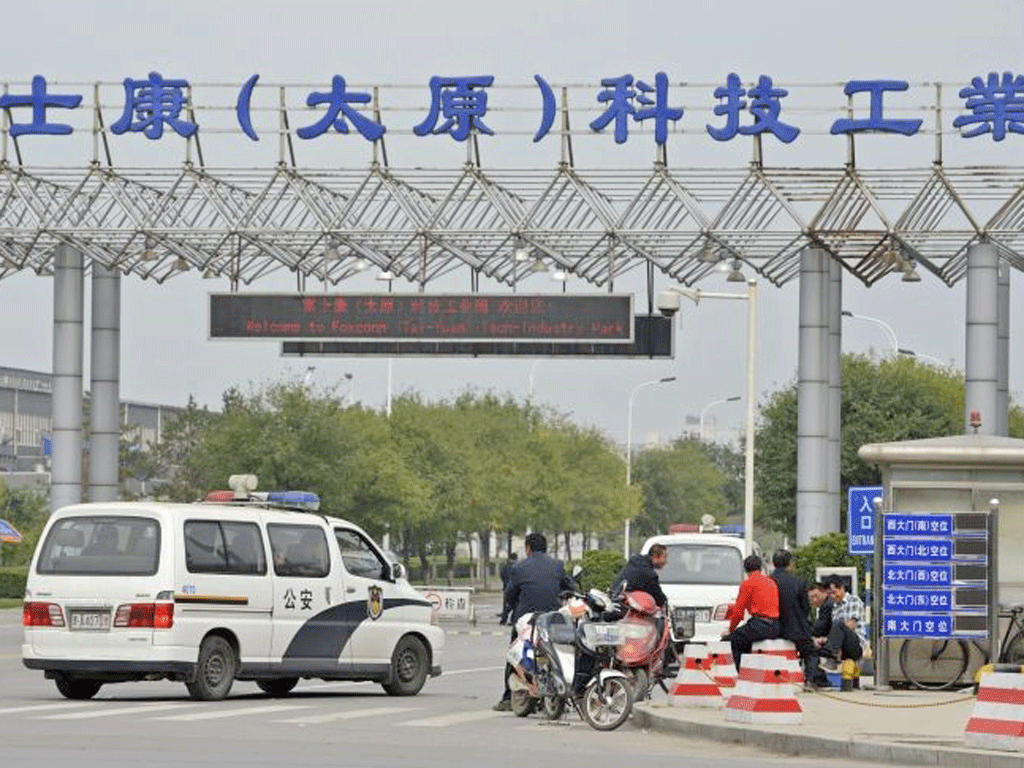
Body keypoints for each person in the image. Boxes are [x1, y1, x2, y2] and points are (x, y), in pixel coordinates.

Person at [493, 533, 574, 712]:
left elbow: (509, 595)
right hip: (552, 620)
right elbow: (570, 588)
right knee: (557, 655)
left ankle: (508, 698)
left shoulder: (519, 568)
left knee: (515, 656)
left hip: (526, 620)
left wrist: (517, 608)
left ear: (528, 547)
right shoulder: (557, 566)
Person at [769, 550, 818, 689]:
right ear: (790, 564)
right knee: (811, 653)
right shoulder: (799, 582)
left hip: (775, 629)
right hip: (797, 629)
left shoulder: (769, 581)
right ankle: (809, 680)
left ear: (774, 564)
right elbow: (806, 608)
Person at [723, 554, 780, 671]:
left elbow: (738, 612)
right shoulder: (771, 582)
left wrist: (730, 630)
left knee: (730, 642)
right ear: (760, 567)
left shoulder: (748, 584)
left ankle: (737, 674)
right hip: (775, 626)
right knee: (744, 639)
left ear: (745, 569)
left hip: (759, 625)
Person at [818, 575, 867, 671]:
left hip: (855, 646)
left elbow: (850, 626)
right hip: (841, 646)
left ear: (841, 588)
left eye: (834, 592)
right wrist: (825, 639)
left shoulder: (854, 600)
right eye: (829, 594)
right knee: (817, 643)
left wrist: (833, 636)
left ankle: (832, 658)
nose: (832, 596)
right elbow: (837, 632)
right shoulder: (835, 608)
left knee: (839, 624)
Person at [612, 543, 668, 607]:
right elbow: (659, 598)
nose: (666, 561)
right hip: (627, 606)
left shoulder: (635, 560)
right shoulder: (649, 574)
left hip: (616, 599)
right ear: (655, 556)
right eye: (664, 557)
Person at [497, 552, 519, 625]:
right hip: (515, 588)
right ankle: (513, 620)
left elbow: (502, 575)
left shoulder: (506, 566)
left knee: (507, 605)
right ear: (516, 558)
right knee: (515, 605)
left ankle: (503, 620)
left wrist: (505, 582)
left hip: (507, 587)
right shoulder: (517, 566)